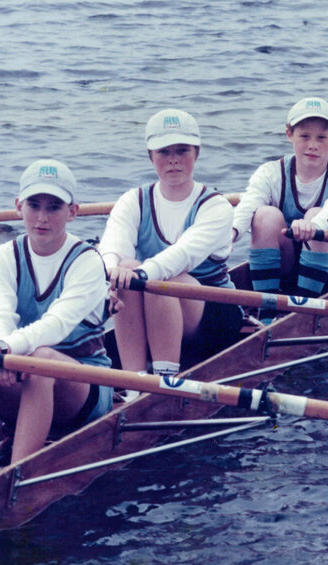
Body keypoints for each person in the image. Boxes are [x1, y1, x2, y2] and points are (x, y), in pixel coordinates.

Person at [0, 159, 112, 486]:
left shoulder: (87, 261)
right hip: (20, 370)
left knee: (41, 360)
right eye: (34, 205)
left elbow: (57, 325)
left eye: (54, 207)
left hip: (83, 387)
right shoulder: (3, 256)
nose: (42, 217)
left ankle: (17, 479)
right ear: (17, 206)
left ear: (73, 212)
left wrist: (6, 349)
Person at [101, 108, 239, 379]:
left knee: (162, 278)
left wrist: (139, 275)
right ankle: (134, 382)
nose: (173, 160)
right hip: (153, 300)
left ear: (196, 153)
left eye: (182, 151)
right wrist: (109, 273)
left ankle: (164, 380)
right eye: (164, 152)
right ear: (150, 156)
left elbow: (182, 255)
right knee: (125, 268)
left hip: (213, 316)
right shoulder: (133, 200)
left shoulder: (216, 207)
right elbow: (111, 248)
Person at [232, 97, 328, 299]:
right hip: (290, 262)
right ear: (289, 134)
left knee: (316, 214)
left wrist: (314, 224)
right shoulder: (270, 172)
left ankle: (304, 309)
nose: (313, 145)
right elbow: (248, 204)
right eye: (304, 136)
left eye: (321, 137)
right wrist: (231, 234)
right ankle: (267, 308)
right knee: (264, 215)